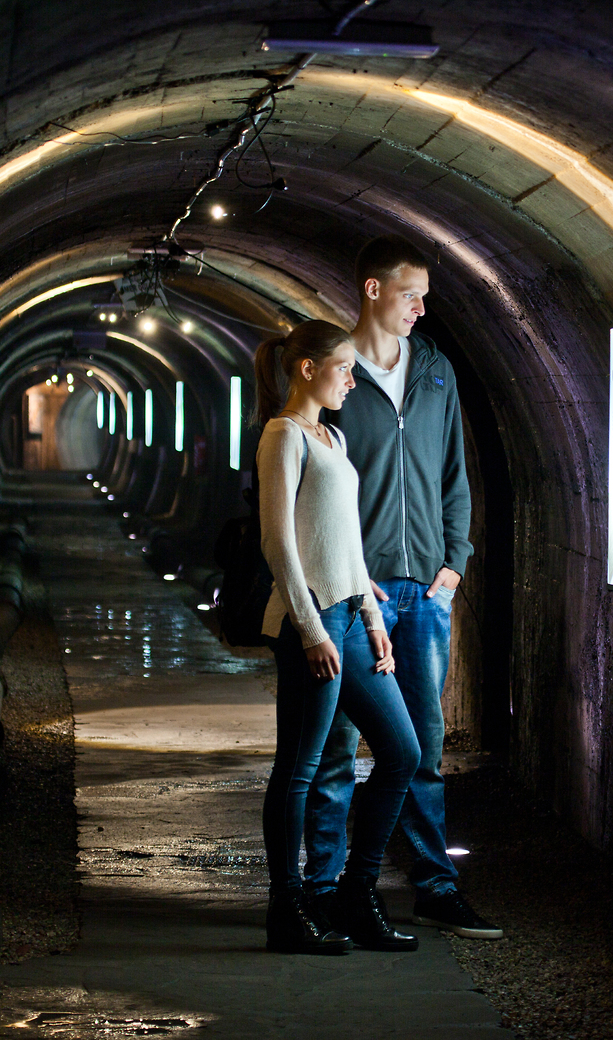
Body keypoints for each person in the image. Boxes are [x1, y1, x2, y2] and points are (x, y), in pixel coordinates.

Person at [305, 237, 504, 940]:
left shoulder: (438, 374)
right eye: (410, 292)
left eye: (425, 294)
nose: (423, 306)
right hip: (354, 592)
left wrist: (454, 563)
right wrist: (343, 585)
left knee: (420, 742)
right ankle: (323, 886)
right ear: (371, 290)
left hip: (423, 591)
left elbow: (456, 474)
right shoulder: (334, 375)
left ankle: (435, 883)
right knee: (335, 744)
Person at [253, 318, 422, 955]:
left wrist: (374, 622)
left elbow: (346, 541)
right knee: (298, 772)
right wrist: (309, 626)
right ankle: (286, 911)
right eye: (343, 368)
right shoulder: (283, 436)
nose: (353, 379)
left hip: (352, 618)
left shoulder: (333, 437)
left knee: (400, 753)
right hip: (312, 625)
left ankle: (357, 892)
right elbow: (279, 542)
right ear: (307, 369)